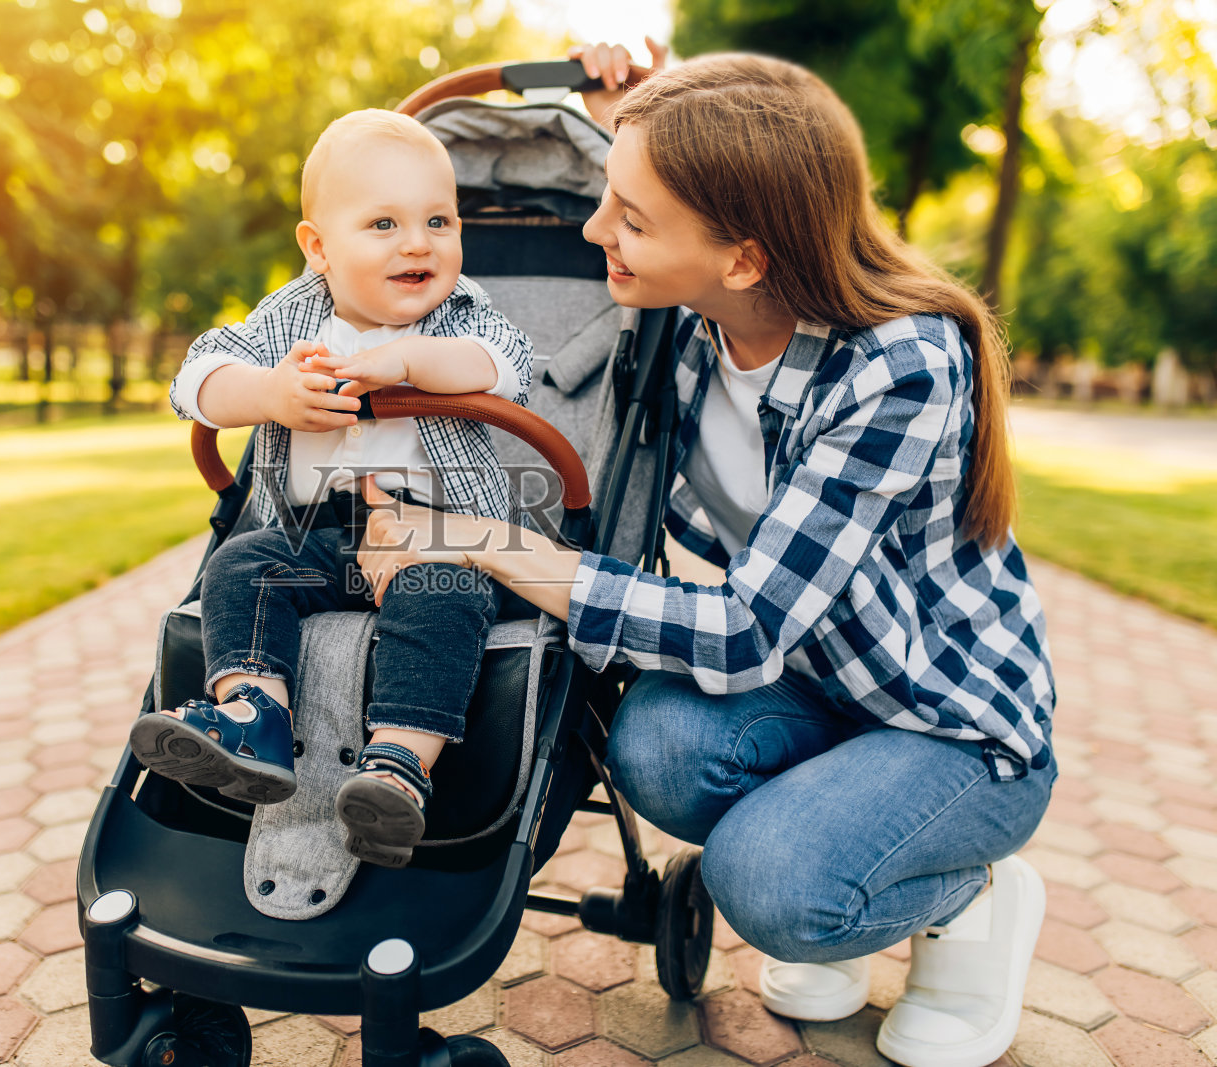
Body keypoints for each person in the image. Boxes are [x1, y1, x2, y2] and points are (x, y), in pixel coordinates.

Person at [353, 40, 1055, 1067]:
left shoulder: (900, 364)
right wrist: (644, 108)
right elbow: (723, 166)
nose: (596, 232)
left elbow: (740, 630)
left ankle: (968, 895)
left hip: (945, 717)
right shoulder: (685, 320)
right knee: (652, 748)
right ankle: (845, 848)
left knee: (770, 884)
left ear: (743, 258)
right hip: (816, 684)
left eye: (628, 219)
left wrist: (481, 541)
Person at [133, 109, 534, 870]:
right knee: (241, 565)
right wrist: (267, 393)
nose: (418, 242)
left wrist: (410, 360)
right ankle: (255, 716)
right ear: (317, 247)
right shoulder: (291, 317)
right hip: (312, 536)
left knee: (445, 599)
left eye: (438, 221)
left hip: (433, 533)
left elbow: (507, 364)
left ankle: (398, 765)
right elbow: (196, 377)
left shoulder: (462, 314)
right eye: (383, 223)